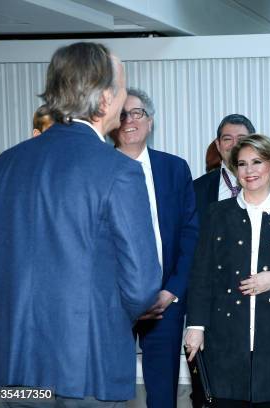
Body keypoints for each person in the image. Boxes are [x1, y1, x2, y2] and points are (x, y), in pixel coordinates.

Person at [0, 42, 161, 405]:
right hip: (87, 365)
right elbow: (143, 285)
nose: (125, 98)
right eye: (123, 88)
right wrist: (108, 318)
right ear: (105, 99)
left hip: (11, 364)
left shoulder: (1, 166)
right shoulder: (119, 171)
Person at [184, 134, 270, 407]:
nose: (249, 171)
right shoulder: (217, 214)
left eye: (257, 162)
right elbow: (202, 273)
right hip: (226, 338)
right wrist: (196, 326)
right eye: (243, 164)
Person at [111, 88, 199, 408]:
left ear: (150, 122)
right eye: (121, 114)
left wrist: (173, 290)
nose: (129, 121)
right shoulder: (96, 171)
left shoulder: (174, 169)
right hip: (112, 305)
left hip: (165, 302)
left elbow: (191, 234)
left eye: (137, 113)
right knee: (109, 392)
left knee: (163, 395)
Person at [194, 114, 270, 224]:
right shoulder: (198, 188)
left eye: (241, 139)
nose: (234, 144)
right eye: (227, 139)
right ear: (218, 145)